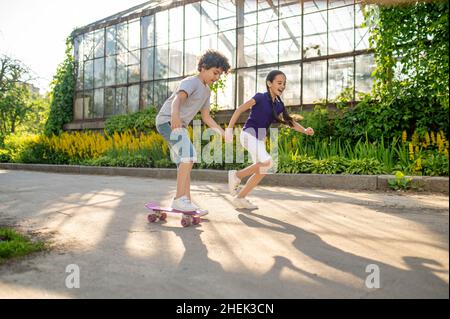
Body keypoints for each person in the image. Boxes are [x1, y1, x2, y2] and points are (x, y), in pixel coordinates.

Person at [225, 70, 314, 209]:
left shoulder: (278, 104)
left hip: (258, 140)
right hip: (248, 135)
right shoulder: (260, 97)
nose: (282, 86)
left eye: (284, 84)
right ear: (269, 83)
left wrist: (304, 130)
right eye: (279, 83)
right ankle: (237, 175)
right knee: (268, 162)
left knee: (262, 170)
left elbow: (290, 122)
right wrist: (229, 130)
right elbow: (239, 110)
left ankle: (240, 198)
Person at [156, 50, 230, 213]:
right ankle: (178, 200)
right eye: (215, 72)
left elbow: (206, 117)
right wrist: (175, 116)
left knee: (184, 163)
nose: (217, 77)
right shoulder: (191, 82)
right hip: (168, 121)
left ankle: (186, 201)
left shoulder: (207, 91)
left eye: (220, 75)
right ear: (203, 67)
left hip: (177, 124)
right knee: (189, 157)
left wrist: (222, 133)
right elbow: (178, 99)